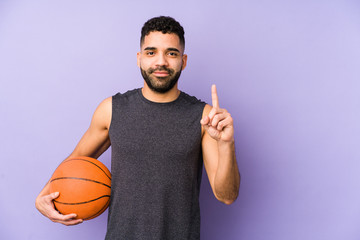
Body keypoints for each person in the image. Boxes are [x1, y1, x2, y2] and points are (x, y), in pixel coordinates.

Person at [35, 16, 240, 239]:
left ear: (184, 60)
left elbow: (226, 195)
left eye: (171, 53)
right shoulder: (111, 110)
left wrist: (226, 144)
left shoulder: (205, 117)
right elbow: (74, 163)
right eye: (151, 52)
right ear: (139, 58)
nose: (160, 61)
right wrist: (43, 196)